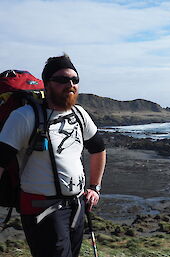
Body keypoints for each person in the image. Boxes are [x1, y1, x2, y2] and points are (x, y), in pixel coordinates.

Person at [0, 54, 106, 257]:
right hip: (42, 211)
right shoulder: (24, 117)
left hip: (76, 207)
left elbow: (98, 149)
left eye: (75, 80)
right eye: (62, 79)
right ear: (46, 84)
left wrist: (95, 187)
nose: (70, 84)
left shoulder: (79, 114)